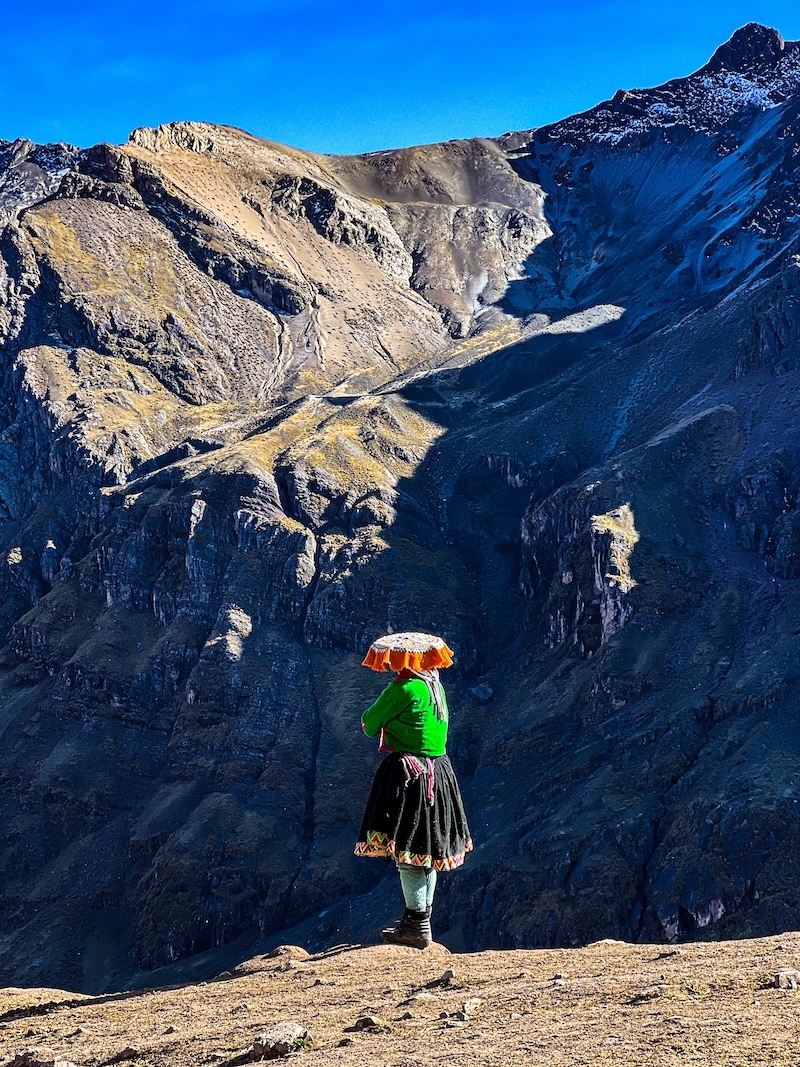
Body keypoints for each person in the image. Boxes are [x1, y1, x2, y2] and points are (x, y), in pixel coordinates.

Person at [354, 632, 473, 948]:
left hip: (410, 774)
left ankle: (416, 925)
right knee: (428, 849)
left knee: (409, 849)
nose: (392, 665)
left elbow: (368, 724)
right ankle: (418, 919)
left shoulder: (403, 688)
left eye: (395, 660)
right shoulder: (435, 687)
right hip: (440, 771)